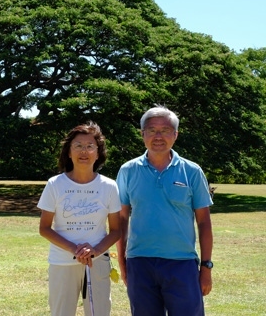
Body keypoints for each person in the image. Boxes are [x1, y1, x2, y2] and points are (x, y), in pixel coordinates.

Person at [116, 106, 214, 316]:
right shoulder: (127, 171)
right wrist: (122, 260)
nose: (158, 136)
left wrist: (206, 267)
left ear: (175, 135)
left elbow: (204, 222)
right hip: (140, 262)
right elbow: (121, 218)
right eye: (151, 130)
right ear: (142, 134)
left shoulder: (192, 171)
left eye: (165, 130)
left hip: (182, 263)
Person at [38, 122, 121, 316]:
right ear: (69, 152)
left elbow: (116, 230)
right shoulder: (55, 184)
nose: (84, 151)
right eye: (78, 145)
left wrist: (95, 251)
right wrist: (75, 250)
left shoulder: (109, 186)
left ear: (98, 152)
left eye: (90, 146)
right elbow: (44, 228)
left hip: (97, 262)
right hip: (62, 262)